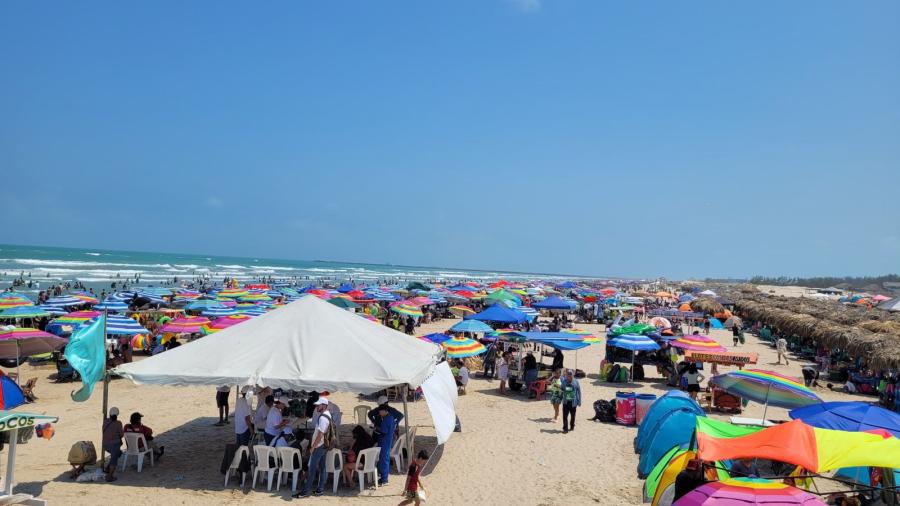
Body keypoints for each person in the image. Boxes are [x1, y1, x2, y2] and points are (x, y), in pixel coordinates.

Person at [294, 398, 334, 498]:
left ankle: (305, 492)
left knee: (311, 469)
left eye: (318, 405)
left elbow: (320, 434)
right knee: (322, 467)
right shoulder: (327, 415)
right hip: (323, 445)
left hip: (319, 446)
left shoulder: (323, 418)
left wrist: (313, 447)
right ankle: (320, 490)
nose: (316, 407)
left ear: (324, 406)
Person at [372, 403, 397, 486]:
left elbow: (384, 431)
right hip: (387, 441)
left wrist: (376, 429)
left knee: (384, 460)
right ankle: (383, 478)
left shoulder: (386, 419)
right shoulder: (390, 417)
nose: (379, 413)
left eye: (380, 411)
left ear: (384, 411)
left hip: (384, 442)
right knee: (385, 459)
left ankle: (384, 480)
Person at [102, 407, 124, 482]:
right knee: (114, 460)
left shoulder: (105, 421)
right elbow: (121, 435)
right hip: (114, 445)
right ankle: (110, 476)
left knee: (118, 453)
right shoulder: (118, 423)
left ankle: (108, 468)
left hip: (105, 445)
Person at [559, 369, 581, 434]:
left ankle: (572, 426)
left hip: (573, 402)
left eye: (570, 374)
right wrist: (560, 398)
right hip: (566, 402)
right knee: (565, 416)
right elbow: (561, 390)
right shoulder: (564, 382)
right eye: (568, 374)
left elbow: (579, 392)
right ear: (566, 375)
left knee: (573, 416)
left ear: (572, 375)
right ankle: (565, 429)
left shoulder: (576, 381)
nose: (569, 375)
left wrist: (579, 401)